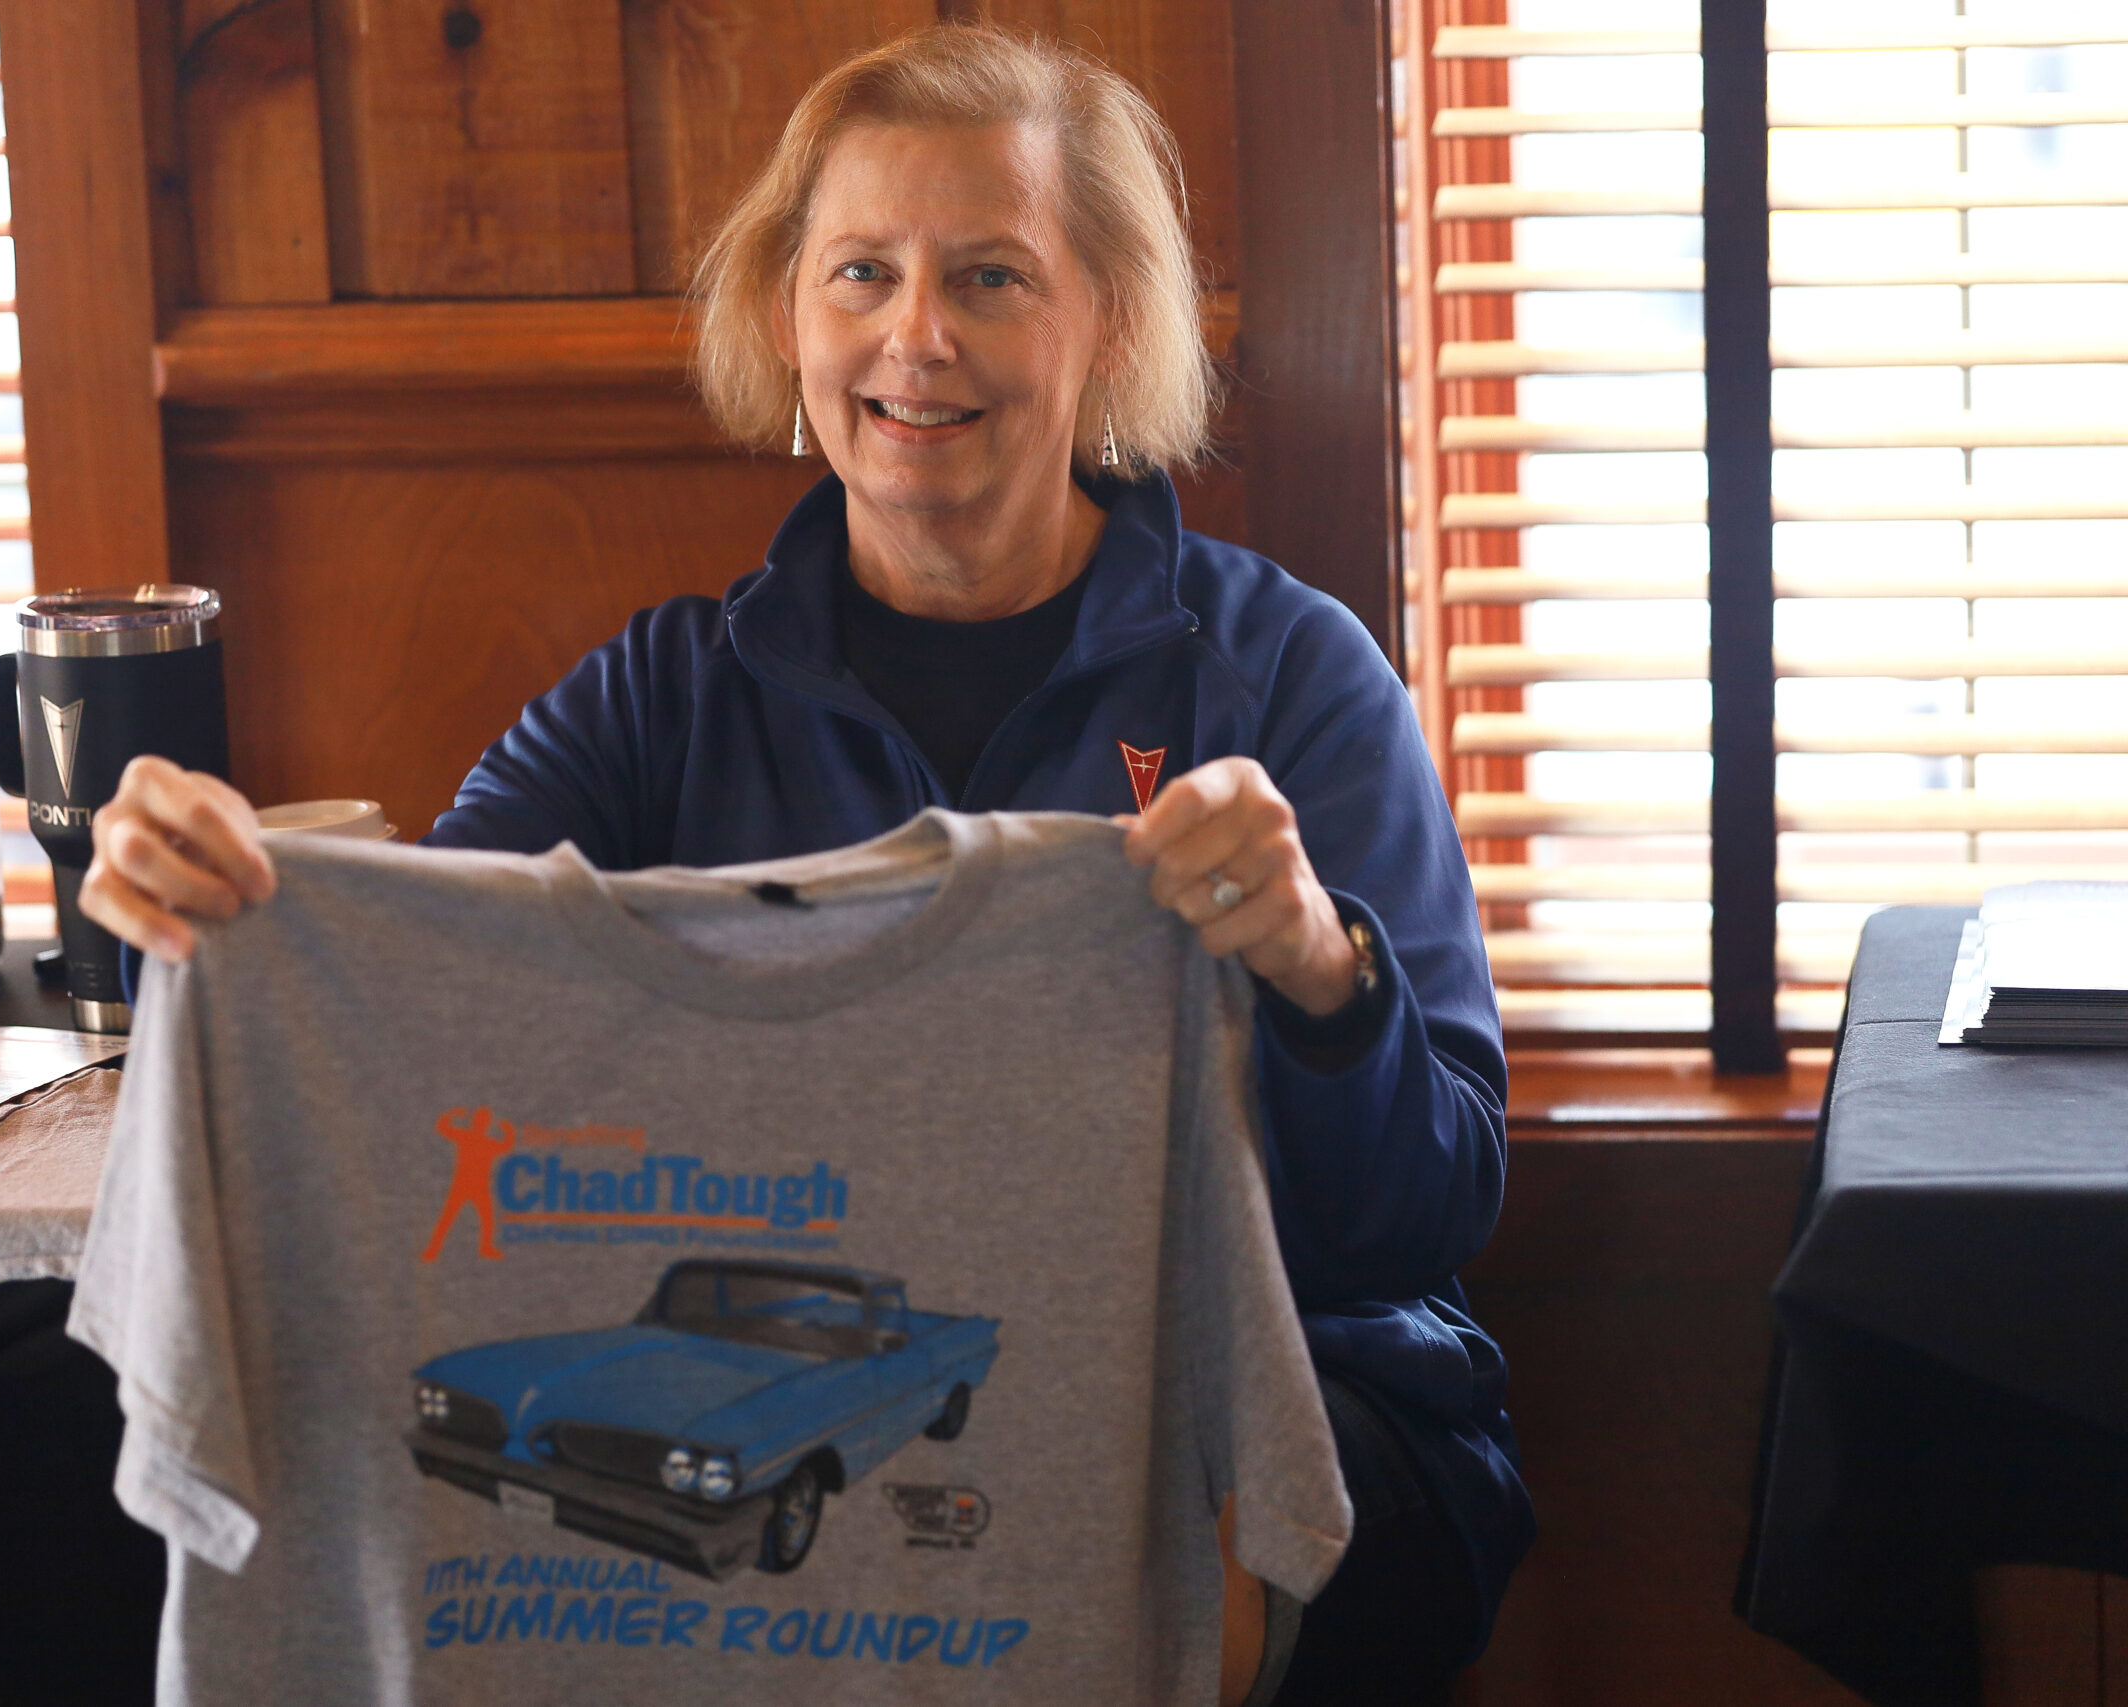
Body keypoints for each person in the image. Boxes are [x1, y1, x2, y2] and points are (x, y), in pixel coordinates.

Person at [79, 24, 1530, 1705]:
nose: (917, 337)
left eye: (991, 277)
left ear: (1112, 322)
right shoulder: (656, 701)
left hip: (1266, 1393)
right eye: (862, 273)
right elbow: (403, 1010)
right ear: (790, 320)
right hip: (751, 1418)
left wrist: (1317, 968)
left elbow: (1428, 1211)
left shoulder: (1290, 676)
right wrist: (209, 911)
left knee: (1102, 1556)